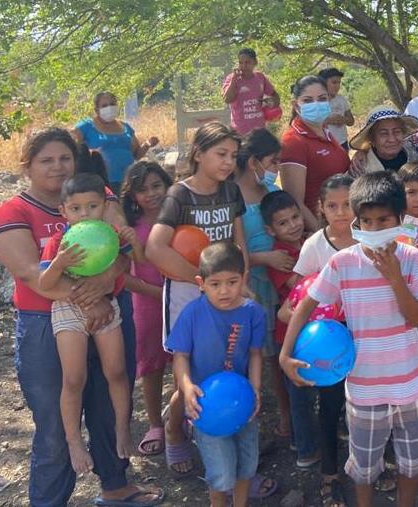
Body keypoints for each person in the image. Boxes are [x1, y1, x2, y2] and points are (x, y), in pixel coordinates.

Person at [0, 127, 163, 506]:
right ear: (27, 166)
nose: (57, 167)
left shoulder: (96, 196)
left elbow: (120, 247)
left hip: (109, 315)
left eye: (64, 158)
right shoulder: (13, 212)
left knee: (109, 400)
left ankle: (116, 486)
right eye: (46, 160)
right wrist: (93, 299)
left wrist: (106, 282)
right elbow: (32, 275)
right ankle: (50, 501)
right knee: (54, 424)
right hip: (45, 325)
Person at [280, 172, 418, 507]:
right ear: (356, 223)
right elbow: (305, 302)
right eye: (366, 221)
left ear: (400, 219)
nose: (375, 228)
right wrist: (284, 353)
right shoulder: (343, 263)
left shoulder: (412, 260)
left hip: (409, 385)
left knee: (411, 462)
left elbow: (417, 318)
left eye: (383, 220)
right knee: (364, 467)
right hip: (364, 389)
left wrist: (395, 277)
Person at [145, 123, 256, 488]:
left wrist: (243, 283)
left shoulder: (231, 191)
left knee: (228, 364)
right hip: (190, 295)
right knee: (189, 374)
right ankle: (175, 430)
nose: (228, 162)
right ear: (198, 154)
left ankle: (231, 445)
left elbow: (240, 246)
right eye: (220, 154)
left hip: (226, 291)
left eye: (233, 156)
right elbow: (155, 248)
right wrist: (201, 280)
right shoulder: (179, 195)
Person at [36, 173, 137, 474]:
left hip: (109, 309)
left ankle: (122, 428)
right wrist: (60, 263)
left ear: (104, 207)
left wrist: (131, 240)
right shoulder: (59, 243)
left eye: (92, 206)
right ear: (63, 211)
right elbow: (44, 282)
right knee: (73, 379)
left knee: (117, 372)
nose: (84, 214)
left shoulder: (110, 235)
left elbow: (129, 261)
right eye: (76, 208)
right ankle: (73, 440)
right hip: (67, 310)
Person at [168, 242, 265, 507]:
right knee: (220, 473)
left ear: (244, 278)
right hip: (205, 406)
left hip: (243, 402)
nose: (225, 291)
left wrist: (255, 388)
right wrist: (187, 387)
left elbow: (256, 353)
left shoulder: (253, 312)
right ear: (201, 283)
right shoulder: (192, 313)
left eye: (232, 282)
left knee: (247, 464)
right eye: (215, 284)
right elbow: (181, 356)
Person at [280, 175, 355, 503]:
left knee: (366, 407)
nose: (341, 212)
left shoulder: (371, 239)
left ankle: (370, 465)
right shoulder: (315, 246)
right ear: (320, 209)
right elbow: (289, 307)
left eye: (348, 204)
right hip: (330, 345)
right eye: (333, 206)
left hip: (367, 335)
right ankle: (330, 473)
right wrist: (319, 319)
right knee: (330, 406)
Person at [234, 128, 297, 446]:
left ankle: (285, 412)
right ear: (254, 161)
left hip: (277, 285)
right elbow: (231, 249)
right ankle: (247, 415)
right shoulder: (230, 196)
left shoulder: (268, 191)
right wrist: (264, 258)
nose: (276, 167)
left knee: (274, 353)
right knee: (250, 350)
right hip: (249, 282)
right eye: (273, 161)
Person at [121, 161, 174, 457]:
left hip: (182, 300)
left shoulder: (178, 217)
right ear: (132, 196)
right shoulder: (129, 227)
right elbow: (125, 275)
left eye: (157, 186)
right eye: (142, 190)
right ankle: (155, 423)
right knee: (151, 366)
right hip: (147, 305)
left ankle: (180, 419)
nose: (151, 194)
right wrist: (159, 293)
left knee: (184, 361)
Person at [279, 75, 351, 231]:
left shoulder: (325, 133)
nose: (316, 104)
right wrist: (322, 237)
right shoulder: (293, 142)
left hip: (341, 223)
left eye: (322, 98)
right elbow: (295, 201)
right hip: (321, 229)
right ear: (296, 105)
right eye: (308, 100)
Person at [72, 91, 159, 193]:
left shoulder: (125, 127)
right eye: (104, 105)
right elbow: (70, 143)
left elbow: (136, 155)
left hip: (128, 181)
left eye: (112, 104)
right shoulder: (87, 126)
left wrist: (147, 144)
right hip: (101, 182)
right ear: (96, 110)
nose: (109, 107)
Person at [348, 106, 418, 177]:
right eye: (384, 133)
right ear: (372, 139)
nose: (392, 139)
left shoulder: (413, 155)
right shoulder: (360, 167)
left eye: (397, 132)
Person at [222, 48, 280, 135]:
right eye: (241, 62)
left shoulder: (260, 77)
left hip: (260, 131)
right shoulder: (232, 78)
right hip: (240, 132)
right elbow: (227, 99)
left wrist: (271, 102)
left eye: (248, 62)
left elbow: (275, 96)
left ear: (255, 62)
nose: (244, 66)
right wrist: (234, 80)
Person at [319, 67, 355, 151]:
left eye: (339, 83)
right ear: (323, 83)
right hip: (324, 144)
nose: (337, 86)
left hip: (342, 143)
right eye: (334, 82)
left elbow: (351, 121)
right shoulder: (317, 103)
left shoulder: (341, 100)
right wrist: (330, 120)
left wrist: (343, 119)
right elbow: (311, 124)